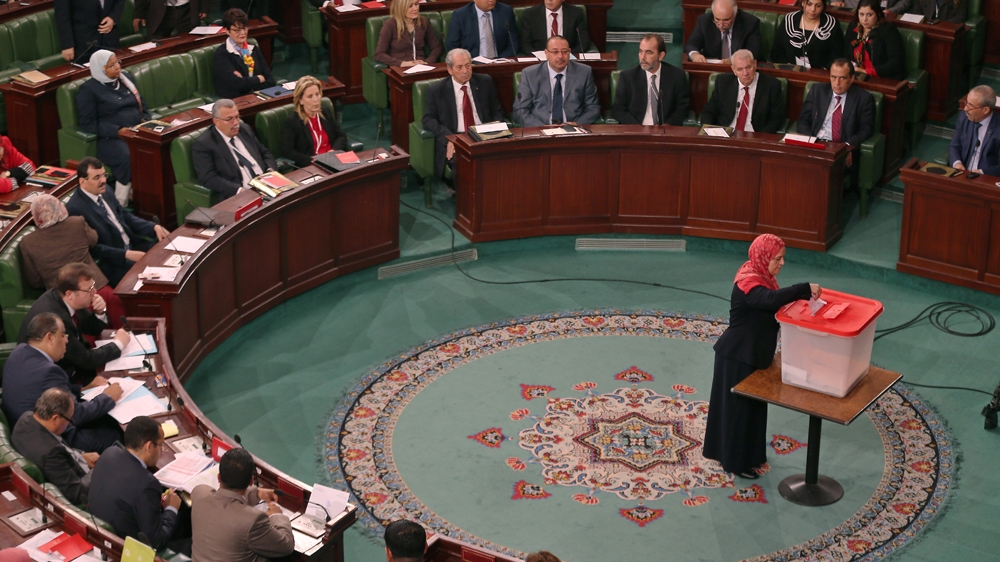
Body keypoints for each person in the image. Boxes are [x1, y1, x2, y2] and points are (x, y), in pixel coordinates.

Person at [703, 234, 821, 479]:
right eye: (777, 258)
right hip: (737, 355)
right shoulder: (750, 282)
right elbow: (769, 300)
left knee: (752, 410)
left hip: (752, 354)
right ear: (763, 257)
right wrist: (803, 289)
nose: (782, 263)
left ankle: (749, 456)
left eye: (783, 258)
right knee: (738, 413)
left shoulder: (761, 276)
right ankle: (736, 463)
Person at [2, 313, 123, 453]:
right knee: (115, 433)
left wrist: (83, 388)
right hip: (54, 442)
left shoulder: (19, 351)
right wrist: (108, 397)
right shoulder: (49, 371)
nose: (66, 340)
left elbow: (43, 388)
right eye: (63, 335)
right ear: (49, 338)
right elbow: (75, 415)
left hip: (23, 432)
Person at [88, 416, 190, 554]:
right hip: (128, 549)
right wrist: (171, 508)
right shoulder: (147, 484)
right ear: (149, 446)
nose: (161, 451)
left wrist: (152, 502)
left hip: (101, 531)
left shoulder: (109, 453)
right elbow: (156, 542)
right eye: (161, 445)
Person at [20, 195, 125, 328]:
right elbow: (93, 240)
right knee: (124, 330)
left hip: (67, 301)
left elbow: (34, 281)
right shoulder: (77, 223)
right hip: (98, 289)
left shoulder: (27, 242)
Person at [17, 263, 130, 382]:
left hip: (73, 366)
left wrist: (100, 312)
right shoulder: (57, 320)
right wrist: (119, 344)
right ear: (70, 294)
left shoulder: (64, 299)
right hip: (55, 380)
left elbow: (92, 328)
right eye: (89, 290)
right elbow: (86, 360)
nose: (95, 292)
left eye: (93, 286)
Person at [66, 157, 170, 287]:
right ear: (83, 182)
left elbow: (124, 216)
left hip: (133, 245)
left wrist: (153, 227)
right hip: (115, 261)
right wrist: (126, 254)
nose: (103, 180)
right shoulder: (75, 209)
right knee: (155, 281)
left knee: (167, 254)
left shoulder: (106, 191)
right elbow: (93, 248)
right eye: (97, 177)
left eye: (104, 175)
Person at [190, 448, 294, 561]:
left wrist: (257, 493)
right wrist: (276, 515)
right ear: (251, 481)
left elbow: (225, 497)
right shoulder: (253, 520)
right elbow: (286, 546)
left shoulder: (198, 493)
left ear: (219, 477)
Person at [76, 50, 150, 206]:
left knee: (155, 147)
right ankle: (120, 202)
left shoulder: (126, 79)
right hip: (111, 138)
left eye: (117, 62)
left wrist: (148, 124)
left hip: (138, 129)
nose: (117, 67)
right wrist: (116, 130)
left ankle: (145, 195)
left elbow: (142, 105)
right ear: (100, 69)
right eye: (111, 65)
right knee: (128, 155)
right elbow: (88, 123)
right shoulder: (88, 90)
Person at [422, 49, 505, 180]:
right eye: (459, 67)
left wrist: (495, 131)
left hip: (484, 135)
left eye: (468, 66)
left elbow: (497, 111)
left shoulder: (485, 82)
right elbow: (428, 119)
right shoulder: (437, 90)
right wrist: (449, 138)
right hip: (457, 137)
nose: (465, 71)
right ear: (450, 70)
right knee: (462, 161)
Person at [11, 389, 96, 506]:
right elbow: (76, 493)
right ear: (55, 418)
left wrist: (80, 455)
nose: (69, 424)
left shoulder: (26, 418)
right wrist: (99, 469)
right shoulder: (52, 453)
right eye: (69, 420)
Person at [797, 59, 875, 182]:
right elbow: (802, 121)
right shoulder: (817, 91)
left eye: (842, 78)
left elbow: (866, 129)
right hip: (817, 144)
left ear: (852, 79)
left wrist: (847, 147)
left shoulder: (864, 98)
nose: (837, 83)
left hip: (840, 147)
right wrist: (812, 142)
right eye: (833, 77)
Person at [192, 99, 277, 200]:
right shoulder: (204, 144)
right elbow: (208, 178)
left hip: (268, 185)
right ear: (216, 121)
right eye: (229, 119)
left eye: (237, 117)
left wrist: (271, 172)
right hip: (242, 194)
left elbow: (265, 152)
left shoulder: (245, 129)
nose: (236, 123)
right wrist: (239, 191)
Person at [513, 35, 600, 127]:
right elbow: (520, 110)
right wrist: (541, 127)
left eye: (565, 52)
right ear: (546, 53)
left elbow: (593, 107)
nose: (560, 56)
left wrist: (577, 123)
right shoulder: (530, 74)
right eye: (555, 52)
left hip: (573, 128)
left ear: (569, 52)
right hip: (541, 129)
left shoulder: (584, 72)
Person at [611, 33, 689, 126]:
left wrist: (668, 124)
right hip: (636, 129)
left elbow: (682, 107)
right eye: (640, 51)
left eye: (648, 52)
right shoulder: (628, 77)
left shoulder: (677, 76)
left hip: (664, 130)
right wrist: (638, 128)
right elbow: (618, 109)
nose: (643, 57)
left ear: (661, 56)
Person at [699, 49, 785, 134]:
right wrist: (709, 131)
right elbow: (709, 111)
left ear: (755, 64)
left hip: (755, 134)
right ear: (734, 70)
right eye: (740, 69)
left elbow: (776, 118)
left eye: (748, 67)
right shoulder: (723, 82)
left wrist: (760, 136)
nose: (745, 73)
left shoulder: (771, 85)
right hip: (726, 133)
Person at [281, 76, 349, 168]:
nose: (316, 100)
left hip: (334, 160)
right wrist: (312, 161)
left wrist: (334, 151)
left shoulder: (325, 112)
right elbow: (287, 151)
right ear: (300, 100)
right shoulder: (292, 122)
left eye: (317, 94)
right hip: (313, 166)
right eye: (310, 96)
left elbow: (341, 135)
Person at [213, 8, 275, 99]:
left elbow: (270, 79)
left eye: (244, 28)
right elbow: (236, 84)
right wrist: (259, 78)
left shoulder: (253, 48)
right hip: (236, 100)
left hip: (258, 96)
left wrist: (250, 87)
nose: (242, 33)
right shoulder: (221, 54)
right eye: (237, 30)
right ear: (227, 31)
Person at [770, 0, 845, 70]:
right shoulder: (790, 19)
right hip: (790, 71)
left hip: (820, 73)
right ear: (803, 3)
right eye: (809, 4)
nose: (813, 9)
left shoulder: (831, 24)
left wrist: (824, 70)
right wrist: (788, 66)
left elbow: (837, 56)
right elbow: (776, 51)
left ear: (823, 6)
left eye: (818, 6)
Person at [844, 0, 906, 81]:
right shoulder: (853, 26)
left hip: (882, 78)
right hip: (856, 75)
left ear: (878, 14)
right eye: (861, 14)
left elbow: (895, 64)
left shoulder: (888, 30)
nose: (864, 19)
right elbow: (845, 54)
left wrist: (865, 71)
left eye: (869, 15)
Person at [685, 0, 761, 64]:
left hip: (740, 70)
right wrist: (694, 54)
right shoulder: (704, 21)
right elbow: (691, 44)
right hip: (712, 68)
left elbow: (754, 52)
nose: (721, 25)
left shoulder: (750, 23)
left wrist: (734, 60)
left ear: (735, 14)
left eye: (726, 20)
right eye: (717, 19)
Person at [374, 0, 443, 68]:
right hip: (399, 67)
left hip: (421, 66)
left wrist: (427, 62)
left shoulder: (423, 22)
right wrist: (402, 63)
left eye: (416, 4)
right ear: (400, 8)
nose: (415, 8)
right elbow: (379, 54)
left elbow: (437, 47)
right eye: (410, 6)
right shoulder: (390, 25)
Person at [949, 86, 1000, 176]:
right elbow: (955, 146)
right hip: (961, 173)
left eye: (970, 106)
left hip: (986, 177)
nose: (965, 109)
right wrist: (957, 163)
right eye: (966, 103)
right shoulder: (964, 117)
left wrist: (981, 173)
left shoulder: (997, 129)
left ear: (985, 110)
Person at [54, 0, 125, 63]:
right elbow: (62, 16)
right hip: (84, 44)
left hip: (110, 38)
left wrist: (113, 17)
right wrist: (67, 45)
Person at [445, 0, 519, 59]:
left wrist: (501, 59)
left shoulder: (506, 11)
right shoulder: (460, 15)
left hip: (501, 60)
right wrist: (466, 60)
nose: (492, 0)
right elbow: (452, 45)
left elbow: (513, 41)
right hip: (472, 62)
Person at [520, 0, 590, 54]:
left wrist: (568, 54)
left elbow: (583, 41)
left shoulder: (576, 13)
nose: (549, 0)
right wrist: (538, 56)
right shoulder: (531, 14)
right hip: (540, 58)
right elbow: (525, 43)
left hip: (568, 57)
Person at [133, 0, 210, 40]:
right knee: (155, 47)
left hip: (188, 10)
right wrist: (139, 13)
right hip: (158, 11)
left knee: (190, 44)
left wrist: (204, 6)